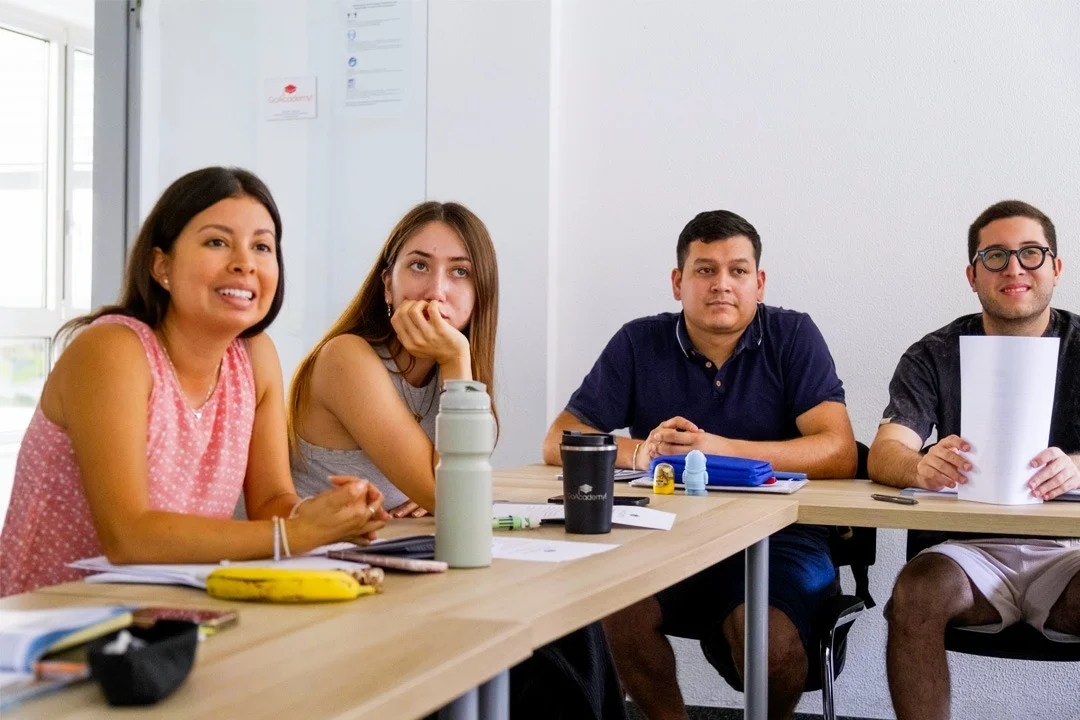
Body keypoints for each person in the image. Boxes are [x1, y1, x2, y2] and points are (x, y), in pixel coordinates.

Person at [0, 167, 388, 598]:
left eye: (262, 246)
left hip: (171, 614)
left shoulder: (255, 357)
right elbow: (128, 536)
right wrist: (295, 534)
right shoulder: (111, 350)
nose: (244, 263)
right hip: (51, 625)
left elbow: (271, 502)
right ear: (161, 264)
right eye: (217, 242)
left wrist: (327, 514)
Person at [543, 210, 857, 720]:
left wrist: (716, 447)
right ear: (678, 283)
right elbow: (559, 440)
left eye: (737, 271)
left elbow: (839, 452)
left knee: (772, 646)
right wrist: (642, 451)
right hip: (665, 532)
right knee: (608, 609)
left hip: (779, 539)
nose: (721, 285)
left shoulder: (794, 335)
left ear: (759, 282)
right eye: (704, 270)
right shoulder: (638, 342)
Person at [868, 200, 1080, 720]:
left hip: (1073, 550)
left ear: (1055, 267)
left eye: (1031, 253)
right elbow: (885, 452)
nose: (1013, 268)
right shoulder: (934, 352)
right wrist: (918, 465)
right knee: (915, 592)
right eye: (995, 256)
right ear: (972, 274)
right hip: (968, 552)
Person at [288, 201, 498, 518]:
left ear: (480, 293)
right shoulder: (345, 358)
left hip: (372, 550)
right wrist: (456, 360)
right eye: (419, 266)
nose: (436, 290)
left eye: (459, 271)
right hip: (293, 559)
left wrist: (426, 486)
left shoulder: (449, 370)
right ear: (388, 286)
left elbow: (462, 489)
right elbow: (459, 501)